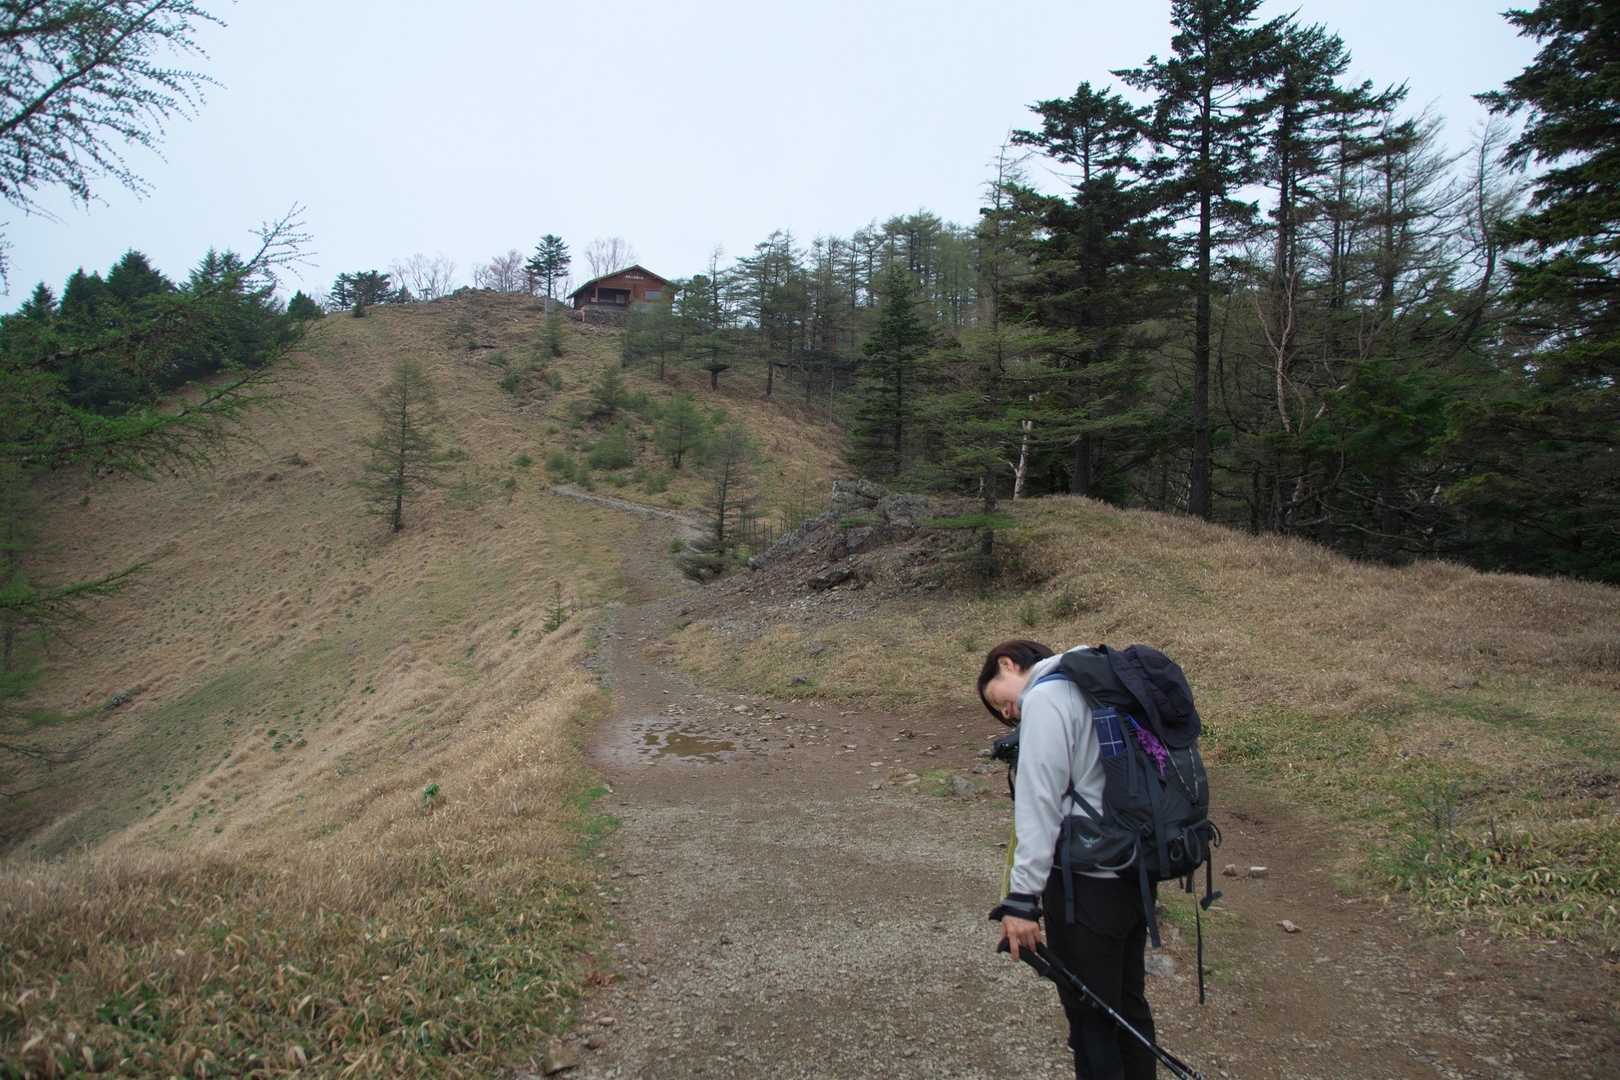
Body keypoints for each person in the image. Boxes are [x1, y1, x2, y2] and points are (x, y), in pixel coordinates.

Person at [978, 639, 1158, 1080]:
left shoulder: (1046, 699)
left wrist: (1022, 900)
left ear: (1007, 664)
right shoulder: (1097, 685)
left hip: (1085, 883)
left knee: (1091, 1019)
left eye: (1000, 701)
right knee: (1128, 1005)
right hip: (1132, 871)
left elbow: (1039, 805)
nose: (1009, 714)